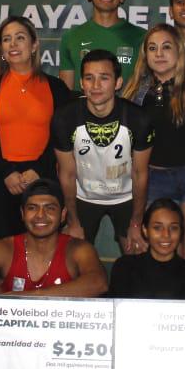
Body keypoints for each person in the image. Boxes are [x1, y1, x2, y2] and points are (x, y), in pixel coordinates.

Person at [122, 23, 185, 271]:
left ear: (179, 51)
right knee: (162, 260)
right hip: (153, 181)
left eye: (166, 47)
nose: (159, 53)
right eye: (153, 48)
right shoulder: (133, 94)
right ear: (145, 55)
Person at [0, 16, 73, 245]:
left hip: (41, 180)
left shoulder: (57, 89)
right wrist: (6, 172)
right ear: (1, 48)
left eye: (20, 38)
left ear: (34, 45)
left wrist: (38, 169)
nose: (13, 44)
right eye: (6, 39)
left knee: (39, 255)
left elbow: (63, 136)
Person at [53, 49, 154, 254]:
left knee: (136, 253)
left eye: (104, 78)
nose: (96, 85)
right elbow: (67, 173)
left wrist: (136, 223)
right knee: (74, 256)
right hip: (83, 196)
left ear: (117, 83)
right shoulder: (64, 118)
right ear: (81, 83)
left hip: (126, 197)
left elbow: (140, 173)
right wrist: (72, 221)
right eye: (89, 78)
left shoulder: (139, 119)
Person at [0, 179, 108, 297]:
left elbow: (98, 283)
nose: (40, 215)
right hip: (11, 334)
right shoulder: (2, 249)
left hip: (60, 333)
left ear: (62, 215)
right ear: (22, 214)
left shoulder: (77, 249)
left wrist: (28, 298)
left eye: (50, 208)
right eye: (32, 208)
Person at [58, 0, 144, 90]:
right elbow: (65, 95)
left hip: (128, 109)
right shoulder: (71, 37)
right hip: (81, 109)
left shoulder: (142, 37)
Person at [108, 198, 185, 299]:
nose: (166, 235)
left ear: (181, 232)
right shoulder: (125, 268)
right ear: (145, 230)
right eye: (157, 228)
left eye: (173, 228)